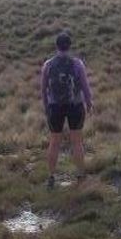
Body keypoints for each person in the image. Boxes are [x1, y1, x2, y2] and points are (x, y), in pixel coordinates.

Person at [40, 31, 94, 188]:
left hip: (54, 106)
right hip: (75, 105)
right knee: (77, 142)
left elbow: (43, 89)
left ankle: (51, 177)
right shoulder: (77, 64)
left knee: (54, 142)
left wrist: (46, 106)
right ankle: (80, 176)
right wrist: (89, 103)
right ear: (69, 46)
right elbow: (85, 86)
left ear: (56, 46)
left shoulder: (48, 65)